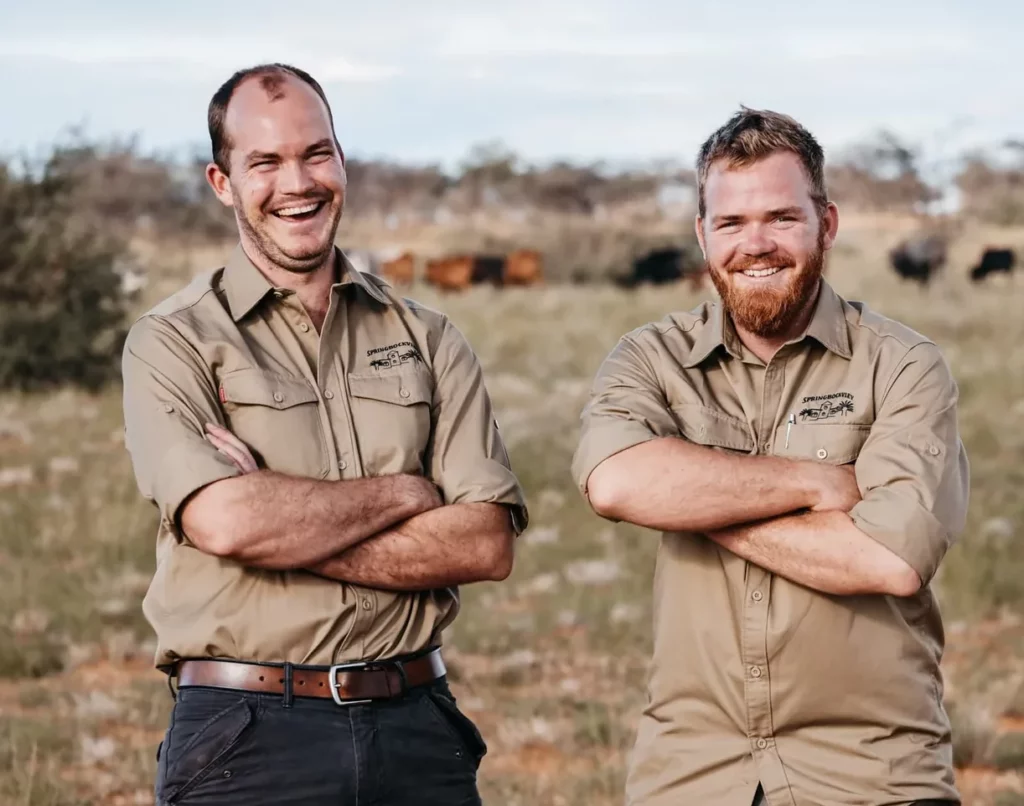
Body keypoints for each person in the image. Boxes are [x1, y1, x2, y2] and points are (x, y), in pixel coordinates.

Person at [121, 63, 528, 806]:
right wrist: (410, 492)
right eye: (265, 162)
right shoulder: (172, 344)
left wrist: (284, 526)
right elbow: (227, 519)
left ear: (341, 160)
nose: (298, 183)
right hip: (244, 737)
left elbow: (484, 544)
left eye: (316, 153)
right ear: (222, 182)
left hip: (417, 724)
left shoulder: (431, 339)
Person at [571, 107, 968, 806]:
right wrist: (815, 483)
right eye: (731, 223)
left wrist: (690, 499)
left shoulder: (903, 365)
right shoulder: (650, 359)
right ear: (702, 235)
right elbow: (615, 482)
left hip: (870, 772)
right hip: (690, 773)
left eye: (782, 218)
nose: (756, 245)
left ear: (827, 224)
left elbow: (890, 560)